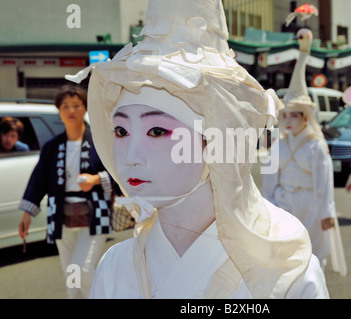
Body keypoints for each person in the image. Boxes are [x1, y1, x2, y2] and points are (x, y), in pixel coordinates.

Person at [67, 0, 329, 299]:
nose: (130, 157)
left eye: (157, 131)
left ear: (216, 141)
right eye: (121, 131)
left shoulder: (286, 271)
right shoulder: (114, 267)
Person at [262, 28, 346, 275]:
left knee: (313, 256)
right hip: (284, 203)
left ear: (306, 117)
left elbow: (324, 182)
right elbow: (269, 179)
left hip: (311, 204)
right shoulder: (278, 144)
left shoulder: (316, 145)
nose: (287, 120)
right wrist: (270, 207)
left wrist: (327, 211)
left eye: (293, 115)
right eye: (284, 115)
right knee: (287, 255)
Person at [18, 84, 114, 299]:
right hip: (60, 214)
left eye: (76, 105)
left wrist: (96, 179)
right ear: (59, 111)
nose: (71, 110)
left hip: (94, 214)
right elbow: (38, 179)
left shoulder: (100, 142)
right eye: (65, 106)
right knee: (71, 273)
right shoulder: (52, 146)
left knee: (83, 270)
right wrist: (27, 214)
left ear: (86, 109)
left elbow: (118, 175)